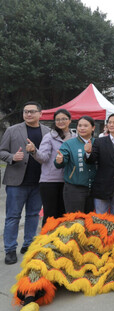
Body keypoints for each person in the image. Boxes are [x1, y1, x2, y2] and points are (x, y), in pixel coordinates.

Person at [0, 101, 50, 264]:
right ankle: (10, 249)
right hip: (16, 182)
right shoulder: (12, 130)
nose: (28, 114)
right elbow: (1, 151)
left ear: (40, 114)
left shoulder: (48, 132)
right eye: (25, 111)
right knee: (13, 216)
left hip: (39, 182)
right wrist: (12, 157)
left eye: (32, 111)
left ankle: (28, 245)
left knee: (33, 215)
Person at [26, 109, 74, 225]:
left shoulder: (75, 137)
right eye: (57, 119)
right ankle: (47, 241)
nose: (61, 121)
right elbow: (43, 158)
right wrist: (34, 151)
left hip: (69, 181)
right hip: (49, 181)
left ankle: (61, 241)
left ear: (70, 120)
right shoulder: (49, 137)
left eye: (64, 119)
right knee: (50, 215)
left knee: (64, 214)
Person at [85, 113, 114, 217]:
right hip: (102, 185)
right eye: (109, 122)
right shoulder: (99, 141)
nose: (111, 125)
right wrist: (88, 153)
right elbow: (92, 161)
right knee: (100, 218)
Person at [55, 116, 97, 214]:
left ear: (93, 128)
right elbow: (60, 161)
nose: (82, 128)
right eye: (80, 125)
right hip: (74, 188)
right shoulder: (69, 143)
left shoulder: (98, 143)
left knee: (90, 222)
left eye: (86, 126)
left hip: (94, 188)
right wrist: (60, 160)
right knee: (75, 221)